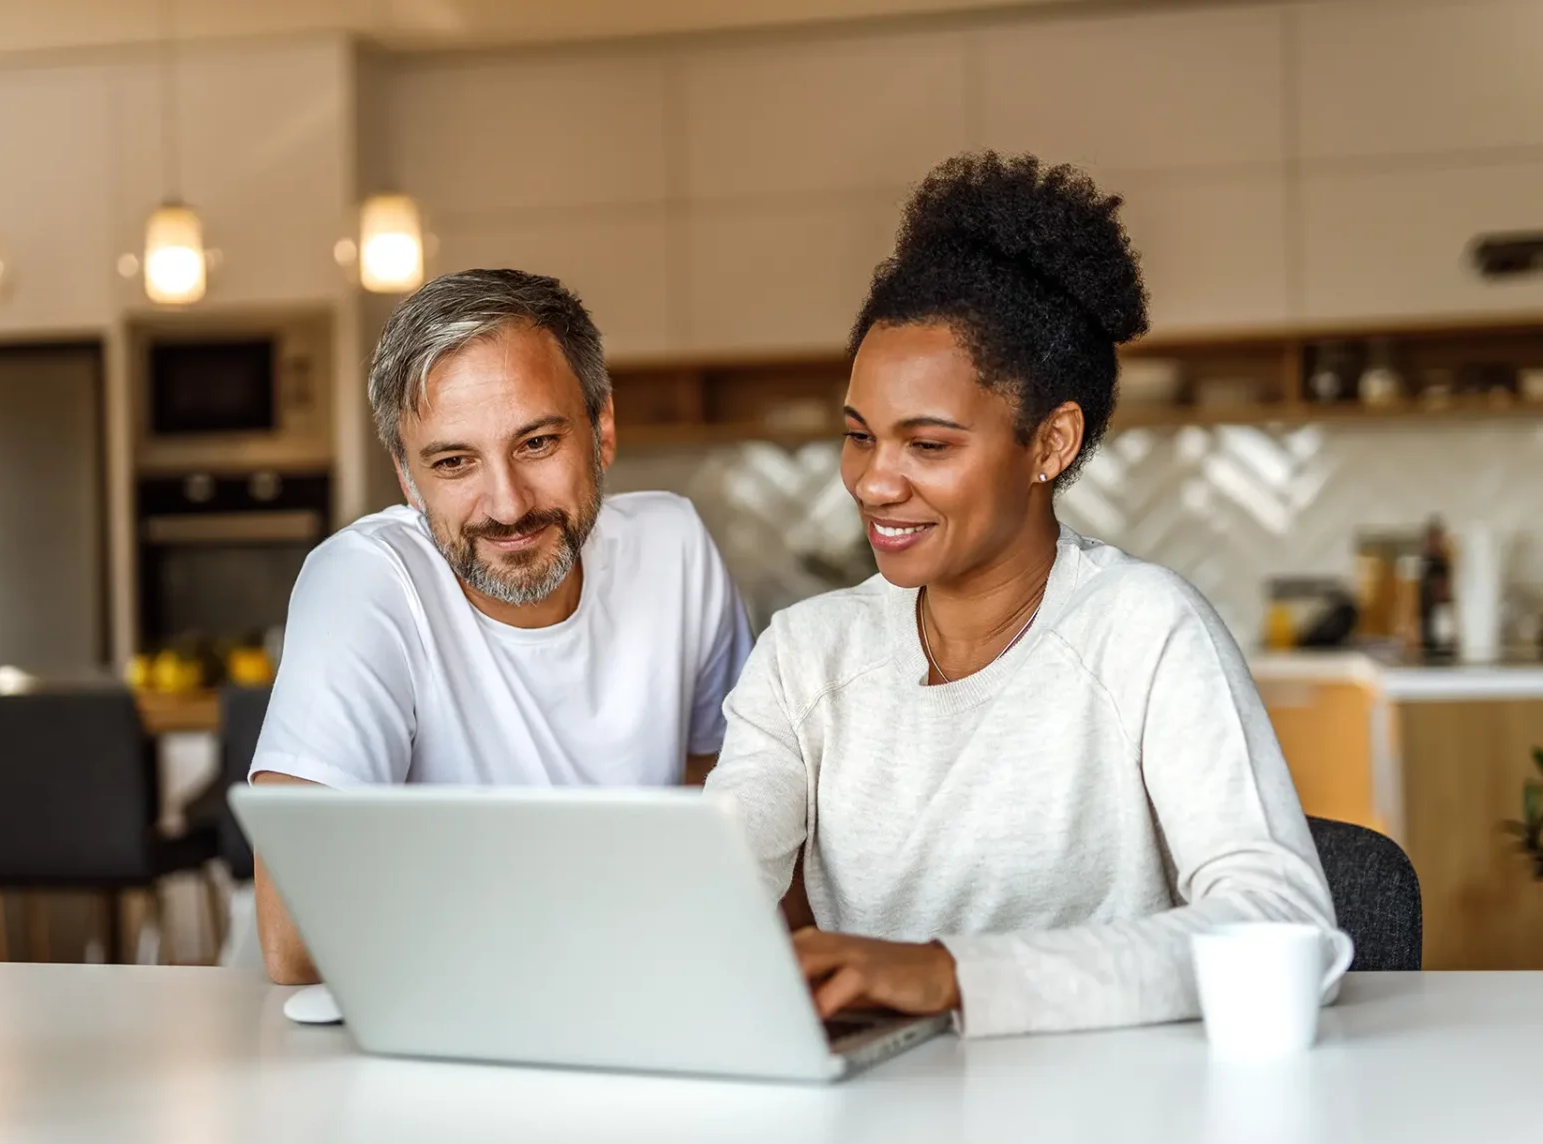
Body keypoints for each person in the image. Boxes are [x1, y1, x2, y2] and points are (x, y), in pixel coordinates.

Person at [704, 153, 1339, 1039]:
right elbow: (711, 891)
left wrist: (952, 974)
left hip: (1119, 1127)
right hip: (890, 1131)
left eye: (927, 446)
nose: (874, 483)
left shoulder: (1143, 628)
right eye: (859, 437)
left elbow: (1286, 923)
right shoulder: (807, 654)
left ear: (1051, 444)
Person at [249, 268, 752, 985]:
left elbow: (739, 818)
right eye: (454, 462)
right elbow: (297, 942)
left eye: (538, 443)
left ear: (601, 430)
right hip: (395, 1031)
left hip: (632, 999)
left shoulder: (674, 546)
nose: (508, 504)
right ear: (406, 478)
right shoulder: (362, 583)